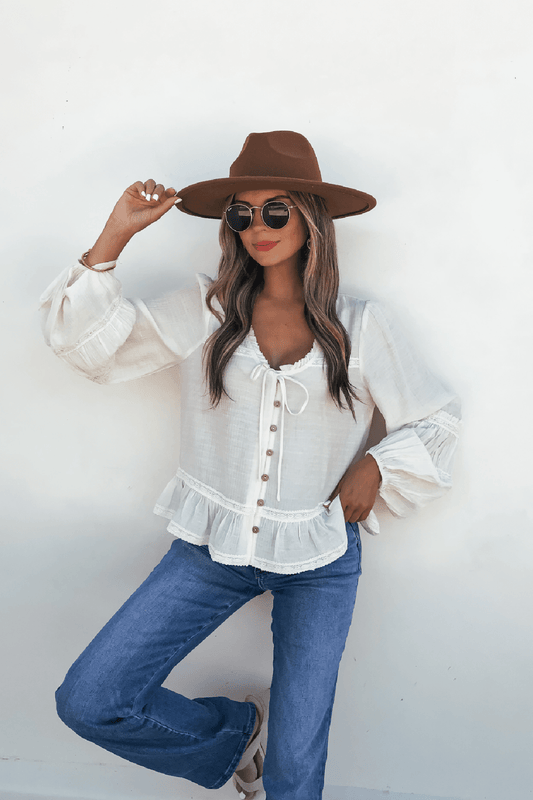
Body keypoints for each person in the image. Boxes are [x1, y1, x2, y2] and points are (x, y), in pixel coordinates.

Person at [40, 131, 460, 800]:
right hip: (211, 547)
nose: (256, 228)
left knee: (293, 778)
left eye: (275, 211)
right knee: (91, 700)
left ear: (310, 220)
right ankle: (233, 735)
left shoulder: (360, 326)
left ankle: (261, 755)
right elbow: (92, 349)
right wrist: (113, 237)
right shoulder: (208, 312)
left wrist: (376, 466)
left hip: (320, 560)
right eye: (241, 213)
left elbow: (435, 418)